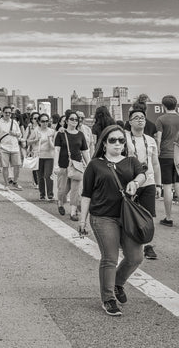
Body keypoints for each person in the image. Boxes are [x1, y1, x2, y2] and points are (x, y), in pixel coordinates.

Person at [80, 124, 147, 316]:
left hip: (127, 216)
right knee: (109, 258)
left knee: (135, 257)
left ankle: (118, 282)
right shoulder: (95, 165)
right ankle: (108, 299)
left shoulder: (131, 161)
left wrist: (135, 182)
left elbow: (142, 174)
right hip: (102, 216)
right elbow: (86, 194)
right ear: (104, 143)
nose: (117, 143)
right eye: (112, 140)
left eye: (121, 140)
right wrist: (82, 221)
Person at [125, 108, 162, 260]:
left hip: (149, 182)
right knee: (128, 214)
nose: (140, 120)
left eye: (142, 118)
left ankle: (148, 246)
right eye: (136, 117)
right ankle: (128, 244)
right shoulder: (124, 138)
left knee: (148, 215)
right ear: (130, 122)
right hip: (130, 182)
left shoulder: (151, 140)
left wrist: (159, 184)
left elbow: (155, 163)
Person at [54, 111, 90, 220]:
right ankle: (60, 202)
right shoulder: (61, 134)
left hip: (77, 166)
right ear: (67, 121)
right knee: (62, 190)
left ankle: (73, 213)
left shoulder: (80, 134)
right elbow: (57, 150)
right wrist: (55, 166)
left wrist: (89, 164)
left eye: (76, 119)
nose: (74, 121)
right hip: (63, 165)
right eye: (72, 119)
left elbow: (84, 151)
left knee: (76, 190)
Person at [155, 95, 179, 227]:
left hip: (165, 155)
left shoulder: (161, 119)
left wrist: (158, 151)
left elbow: (158, 138)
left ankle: (168, 218)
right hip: (178, 155)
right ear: (175, 105)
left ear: (163, 106)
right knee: (178, 184)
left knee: (167, 187)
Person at [0, 106, 23, 190]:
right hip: (3, 148)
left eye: (9, 113)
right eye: (6, 112)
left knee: (17, 166)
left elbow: (19, 134)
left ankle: (15, 182)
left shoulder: (14, 122)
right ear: (2, 113)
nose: (8, 114)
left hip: (14, 147)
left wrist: (14, 134)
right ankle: (6, 184)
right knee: (5, 166)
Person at [28, 113, 55, 200]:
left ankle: (50, 194)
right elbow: (28, 141)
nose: (45, 123)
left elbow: (55, 143)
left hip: (49, 156)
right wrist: (36, 139)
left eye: (47, 121)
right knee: (40, 176)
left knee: (48, 175)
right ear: (39, 122)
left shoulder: (51, 131)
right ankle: (42, 194)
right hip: (39, 156)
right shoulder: (36, 131)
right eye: (43, 121)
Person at [22, 111, 40, 189]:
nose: (37, 120)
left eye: (38, 118)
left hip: (42, 149)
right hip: (33, 149)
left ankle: (38, 182)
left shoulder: (43, 127)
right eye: (35, 118)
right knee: (35, 166)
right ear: (32, 119)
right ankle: (36, 182)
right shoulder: (29, 127)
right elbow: (25, 138)